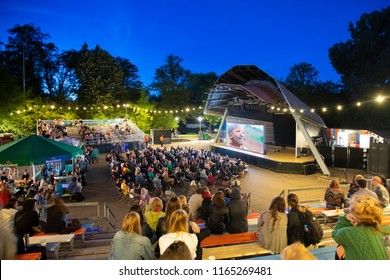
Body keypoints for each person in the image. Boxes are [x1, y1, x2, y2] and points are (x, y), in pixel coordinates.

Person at [333, 195, 390, 260]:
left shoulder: (347, 232)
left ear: (355, 219)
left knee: (339, 249)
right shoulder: (386, 229)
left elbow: (335, 233)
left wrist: (345, 218)